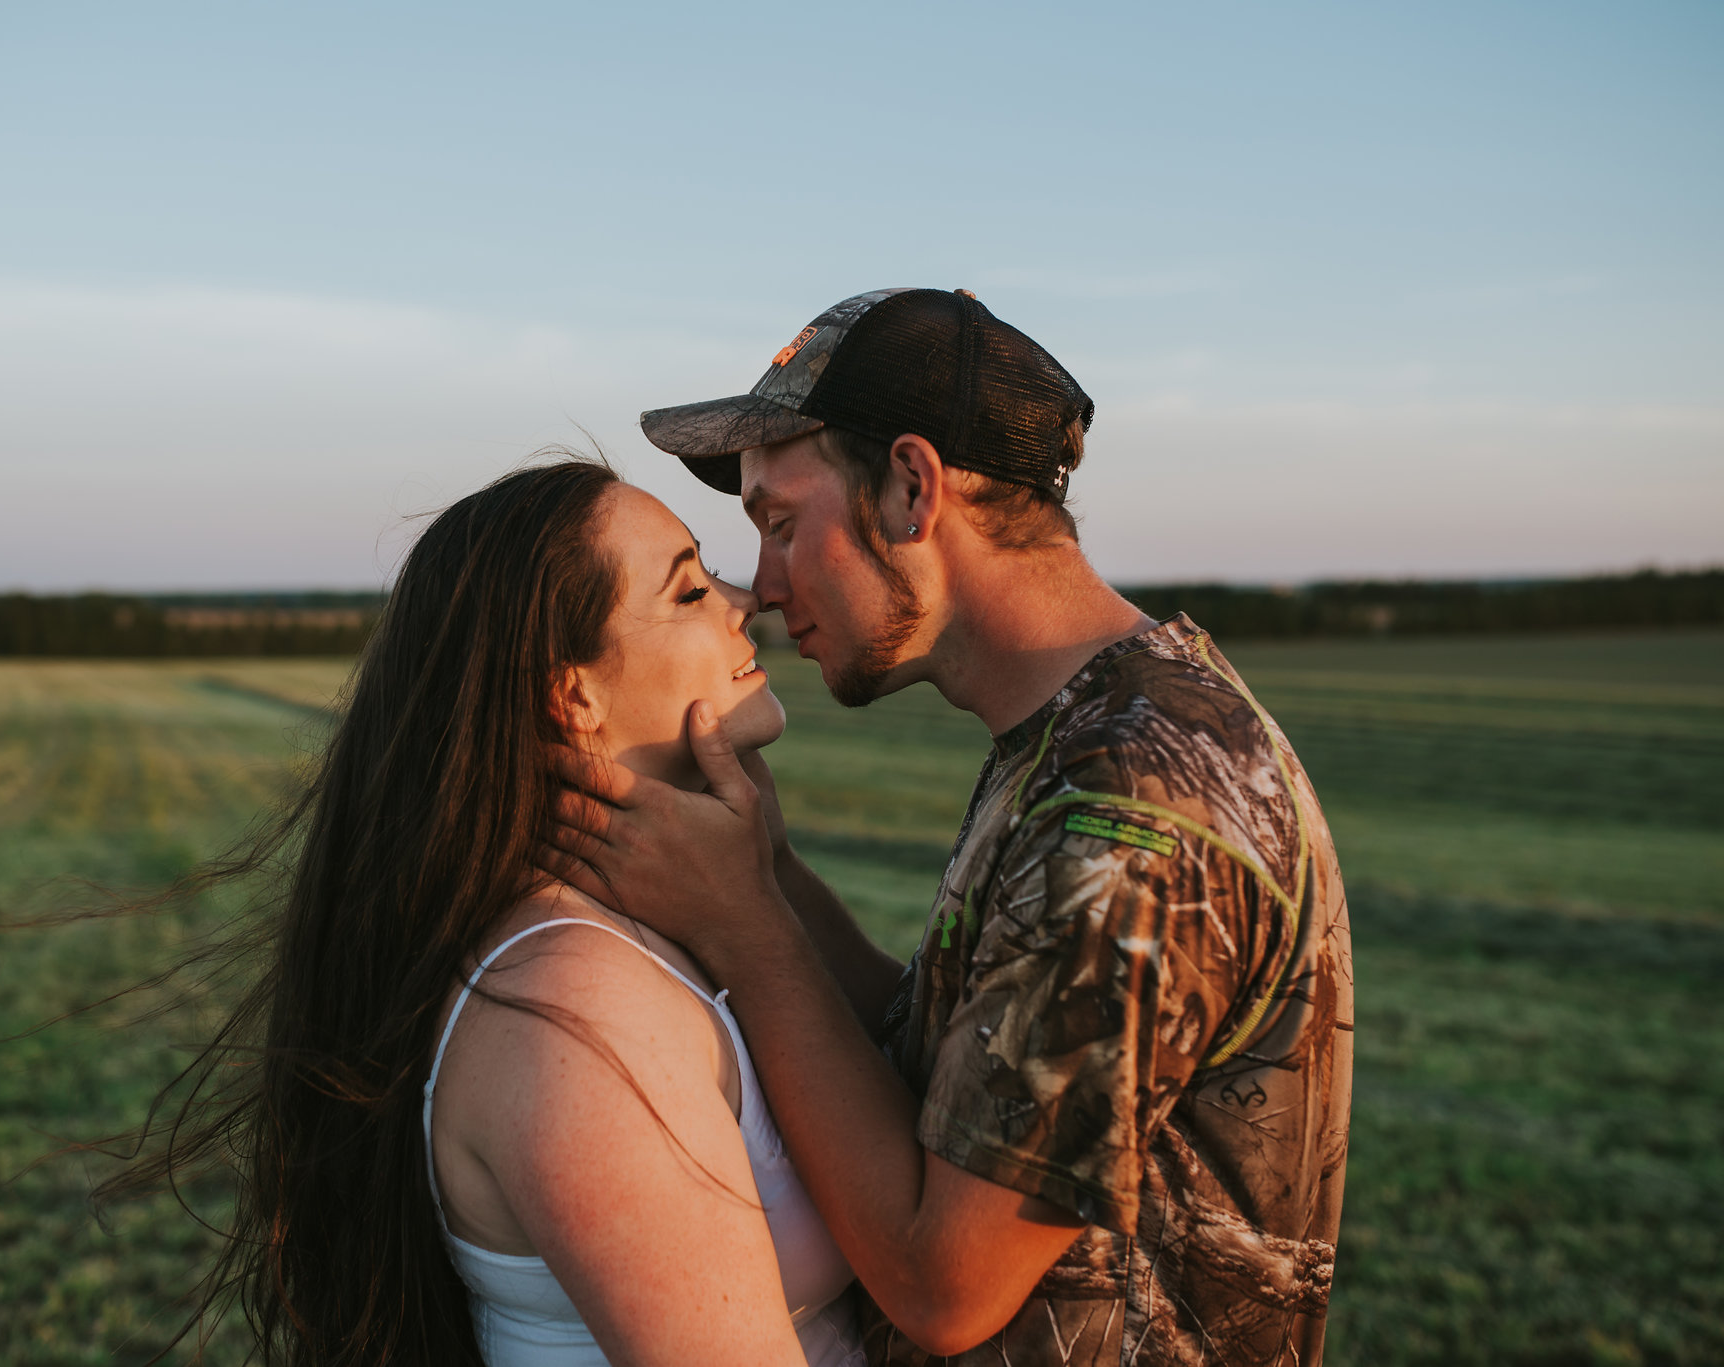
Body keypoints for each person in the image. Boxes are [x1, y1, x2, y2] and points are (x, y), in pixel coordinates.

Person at [546, 288, 1355, 1365]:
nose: (765, 587)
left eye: (781, 524)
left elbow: (944, 1285)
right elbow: (964, 1079)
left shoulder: (1131, 810)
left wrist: (747, 928)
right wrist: (769, 871)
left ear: (911, 487)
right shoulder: (1081, 737)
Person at [92, 459, 863, 1366]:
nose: (744, 598)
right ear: (571, 694)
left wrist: (764, 881)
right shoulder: (577, 1014)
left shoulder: (651, 933)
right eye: (691, 588)